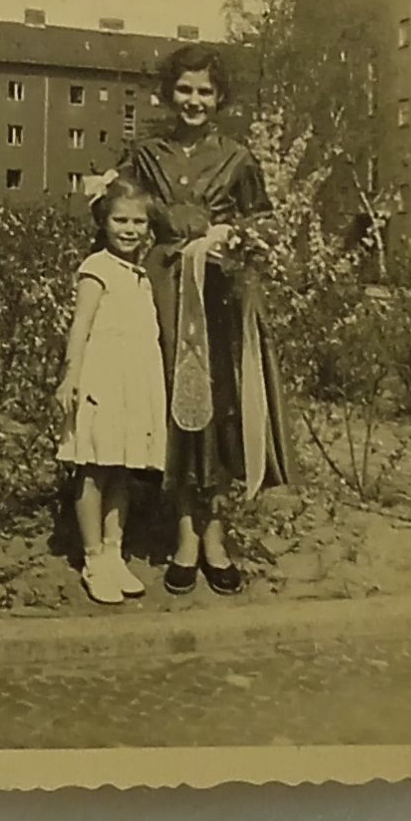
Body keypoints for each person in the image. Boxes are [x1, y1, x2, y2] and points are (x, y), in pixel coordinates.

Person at [123, 43, 296, 597]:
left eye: (204, 91)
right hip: (164, 292)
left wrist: (235, 237)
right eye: (184, 90)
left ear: (219, 97)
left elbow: (264, 224)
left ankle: (216, 535)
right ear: (168, 94)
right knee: (176, 404)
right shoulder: (146, 155)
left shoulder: (238, 159)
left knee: (220, 405)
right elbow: (116, 214)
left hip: (220, 295)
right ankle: (182, 536)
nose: (193, 100)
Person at [56, 174, 167, 605]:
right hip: (101, 379)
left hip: (133, 381)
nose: (129, 229)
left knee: (122, 466)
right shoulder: (96, 268)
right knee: (92, 465)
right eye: (120, 220)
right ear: (103, 222)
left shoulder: (141, 273)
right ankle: (93, 557)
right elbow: (80, 326)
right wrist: (70, 378)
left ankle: (115, 550)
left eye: (138, 222)